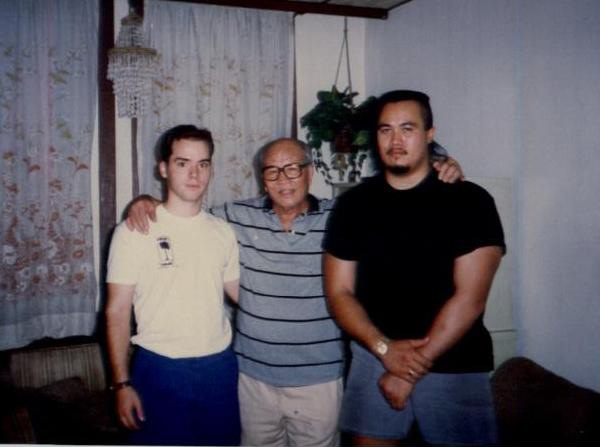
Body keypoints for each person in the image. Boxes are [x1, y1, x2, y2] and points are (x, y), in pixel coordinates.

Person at [126, 137, 463, 446]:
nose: (283, 179)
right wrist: (147, 202)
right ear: (262, 179)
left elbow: (397, 200)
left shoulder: (342, 215)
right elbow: (186, 213)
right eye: (272, 171)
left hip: (319, 379)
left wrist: (436, 168)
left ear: (310, 172)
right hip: (253, 378)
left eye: (292, 168)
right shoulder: (236, 217)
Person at [323, 90, 505, 446]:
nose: (395, 140)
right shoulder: (352, 205)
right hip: (374, 356)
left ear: (429, 134)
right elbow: (338, 292)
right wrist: (384, 350)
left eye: (407, 128)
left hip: (454, 361)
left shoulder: (471, 201)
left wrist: (407, 370)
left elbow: (470, 299)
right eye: (385, 130)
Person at [105, 125, 241, 446]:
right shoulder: (133, 230)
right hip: (158, 368)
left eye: (203, 164)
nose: (194, 174)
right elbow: (117, 312)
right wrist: (121, 384)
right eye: (183, 163)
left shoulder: (223, 231)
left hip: (218, 367)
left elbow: (242, 295)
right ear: (164, 169)